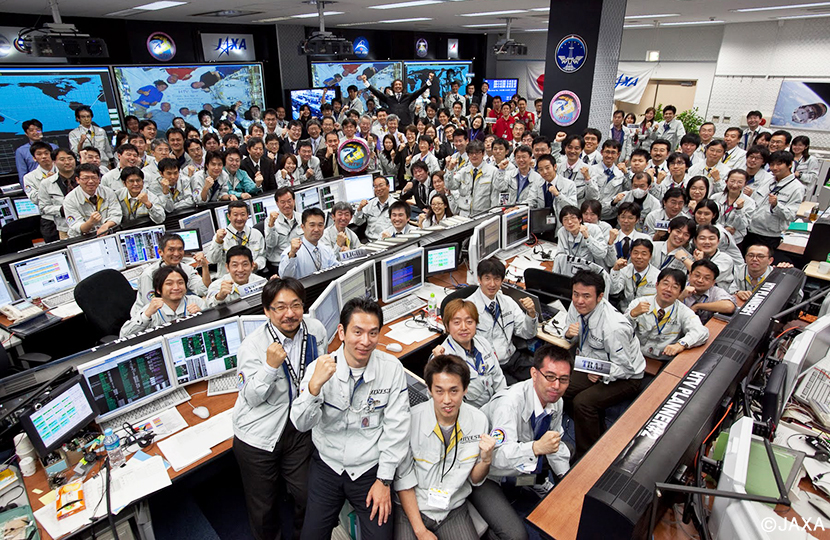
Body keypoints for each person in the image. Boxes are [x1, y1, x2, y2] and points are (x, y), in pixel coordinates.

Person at [291, 298, 411, 540]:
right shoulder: (318, 368)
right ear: (341, 332)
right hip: (328, 464)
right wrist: (314, 388)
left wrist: (384, 479)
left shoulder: (391, 369)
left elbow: (397, 429)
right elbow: (301, 424)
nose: (365, 341)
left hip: (370, 469)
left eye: (373, 333)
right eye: (357, 332)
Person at [471, 344, 572, 540]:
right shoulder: (508, 404)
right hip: (485, 472)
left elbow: (555, 442)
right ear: (534, 374)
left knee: (566, 454)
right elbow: (496, 457)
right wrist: (535, 448)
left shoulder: (556, 400)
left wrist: (564, 480)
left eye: (563, 379)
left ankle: (534, 481)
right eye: (550, 376)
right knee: (516, 536)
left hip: (519, 461)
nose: (556, 386)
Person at [394, 354, 495, 540]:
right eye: (439, 391)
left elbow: (474, 478)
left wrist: (486, 460)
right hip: (413, 508)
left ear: (465, 389)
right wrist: (420, 531)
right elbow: (403, 480)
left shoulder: (479, 420)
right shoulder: (410, 421)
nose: (447, 400)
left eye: (454, 391)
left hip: (452, 507)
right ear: (430, 389)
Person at [563, 270, 644, 459]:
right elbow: (572, 332)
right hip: (591, 363)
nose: (579, 301)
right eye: (575, 294)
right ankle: (594, 428)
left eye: (586, 296)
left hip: (626, 377)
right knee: (562, 386)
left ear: (600, 297)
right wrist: (568, 334)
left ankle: (588, 455)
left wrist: (601, 372)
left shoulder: (614, 327)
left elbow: (625, 368)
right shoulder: (577, 307)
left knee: (583, 403)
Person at [469, 259, 538, 384]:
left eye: (496, 279)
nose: (492, 284)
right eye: (487, 278)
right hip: (490, 367)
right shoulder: (468, 308)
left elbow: (528, 334)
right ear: (479, 279)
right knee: (518, 391)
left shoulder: (507, 302)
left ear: (502, 280)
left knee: (540, 379)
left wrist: (531, 314)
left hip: (513, 358)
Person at [431, 299, 507, 408]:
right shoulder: (442, 358)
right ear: (447, 326)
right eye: (457, 323)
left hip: (496, 406)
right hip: (470, 414)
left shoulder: (483, 343)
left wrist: (503, 404)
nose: (464, 327)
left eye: (469, 322)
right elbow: (436, 401)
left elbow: (499, 379)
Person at [626, 268, 709, 361]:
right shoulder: (639, 303)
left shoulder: (683, 311)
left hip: (663, 360)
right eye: (665, 284)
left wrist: (681, 344)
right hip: (633, 355)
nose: (668, 289)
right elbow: (620, 329)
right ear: (657, 285)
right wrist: (632, 315)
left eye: (675, 287)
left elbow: (701, 332)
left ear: (680, 292)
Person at [120, 266, 205, 337]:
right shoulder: (151, 309)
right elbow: (124, 336)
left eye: (180, 283)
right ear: (158, 289)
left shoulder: (196, 302)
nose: (176, 287)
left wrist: (202, 316)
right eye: (169, 284)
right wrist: (146, 316)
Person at [745, 150, 804, 252]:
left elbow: (790, 215)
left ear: (790, 164)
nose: (774, 168)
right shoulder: (768, 180)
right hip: (750, 229)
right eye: (772, 165)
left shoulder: (796, 188)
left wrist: (776, 205)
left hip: (768, 236)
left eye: (779, 164)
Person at [63, 163, 122, 238]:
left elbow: (116, 214)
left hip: (107, 233)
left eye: (94, 178)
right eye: (85, 178)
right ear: (77, 180)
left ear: (99, 179)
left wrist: (106, 225)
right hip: (82, 237)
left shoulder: (108, 192)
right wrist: (90, 222)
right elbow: (76, 226)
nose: (90, 181)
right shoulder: (70, 199)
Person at [206, 200, 266, 275]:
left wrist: (256, 265)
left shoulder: (256, 234)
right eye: (235, 215)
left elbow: (262, 256)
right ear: (229, 216)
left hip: (251, 277)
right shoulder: (221, 236)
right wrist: (218, 242)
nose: (239, 218)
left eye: (243, 214)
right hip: (228, 278)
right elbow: (212, 260)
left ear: (247, 215)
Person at [279, 207, 339, 279]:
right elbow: (285, 278)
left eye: (320, 225)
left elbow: (337, 270)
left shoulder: (327, 250)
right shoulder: (291, 252)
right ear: (302, 227)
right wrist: (292, 254)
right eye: (312, 225)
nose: (316, 229)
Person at [445, 140, 495, 217]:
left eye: (477, 153)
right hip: (464, 214)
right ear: (468, 155)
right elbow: (450, 186)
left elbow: (495, 197)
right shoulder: (463, 171)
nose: (474, 155)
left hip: (482, 214)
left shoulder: (492, 171)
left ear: (483, 154)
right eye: (471, 153)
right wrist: (450, 169)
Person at [362, 73, 433, 126]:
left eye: (399, 85)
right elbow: (377, 93)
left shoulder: (407, 97)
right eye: (396, 85)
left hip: (406, 124)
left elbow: (419, 92)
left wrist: (429, 82)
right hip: (392, 125)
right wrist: (366, 82)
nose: (398, 86)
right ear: (393, 87)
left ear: (402, 87)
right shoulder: (389, 98)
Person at [37, 148, 77, 241]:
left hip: (88, 224)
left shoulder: (85, 179)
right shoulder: (46, 183)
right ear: (54, 162)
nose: (67, 162)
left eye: (70, 159)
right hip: (65, 228)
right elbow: (43, 207)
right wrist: (61, 210)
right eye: (62, 159)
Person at [680, 260, 736, 324]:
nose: (700, 280)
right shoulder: (678, 286)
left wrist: (698, 306)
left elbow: (729, 307)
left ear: (713, 282)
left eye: (706, 278)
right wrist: (681, 297)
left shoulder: (715, 291)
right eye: (697, 275)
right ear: (690, 275)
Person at [710, 170, 755, 246]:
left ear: (745, 184)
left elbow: (743, 226)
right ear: (726, 181)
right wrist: (722, 229)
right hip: (714, 238)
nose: (735, 185)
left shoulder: (749, 202)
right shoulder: (715, 197)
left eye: (739, 182)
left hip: (735, 241)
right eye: (732, 181)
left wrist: (739, 210)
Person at [610, 238, 660, 307]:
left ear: (650, 256)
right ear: (630, 253)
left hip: (646, 311)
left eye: (644, 254)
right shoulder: (624, 270)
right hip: (624, 310)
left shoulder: (657, 276)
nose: (639, 257)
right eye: (635, 253)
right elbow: (614, 291)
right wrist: (615, 270)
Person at [587, 139, 627, 222]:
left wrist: (626, 173)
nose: (609, 155)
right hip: (592, 215)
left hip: (612, 216)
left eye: (613, 153)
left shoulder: (621, 173)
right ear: (602, 152)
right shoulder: (591, 170)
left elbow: (628, 190)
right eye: (607, 152)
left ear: (618, 154)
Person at [355, 175, 397, 241]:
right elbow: (357, 222)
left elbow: (401, 227)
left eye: (381, 185)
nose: (378, 189)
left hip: (388, 240)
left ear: (388, 186)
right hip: (370, 241)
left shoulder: (397, 205)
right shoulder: (369, 204)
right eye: (375, 187)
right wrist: (359, 209)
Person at [16, 119, 56, 186]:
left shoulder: (54, 147)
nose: (36, 132)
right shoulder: (21, 151)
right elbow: (22, 174)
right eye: (31, 130)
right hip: (36, 184)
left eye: (38, 130)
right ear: (26, 133)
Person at [22, 141, 56, 207]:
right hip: (48, 210)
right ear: (34, 158)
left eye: (46, 153)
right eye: (39, 154)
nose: (44, 156)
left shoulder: (63, 170)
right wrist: (46, 184)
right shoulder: (29, 177)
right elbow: (34, 199)